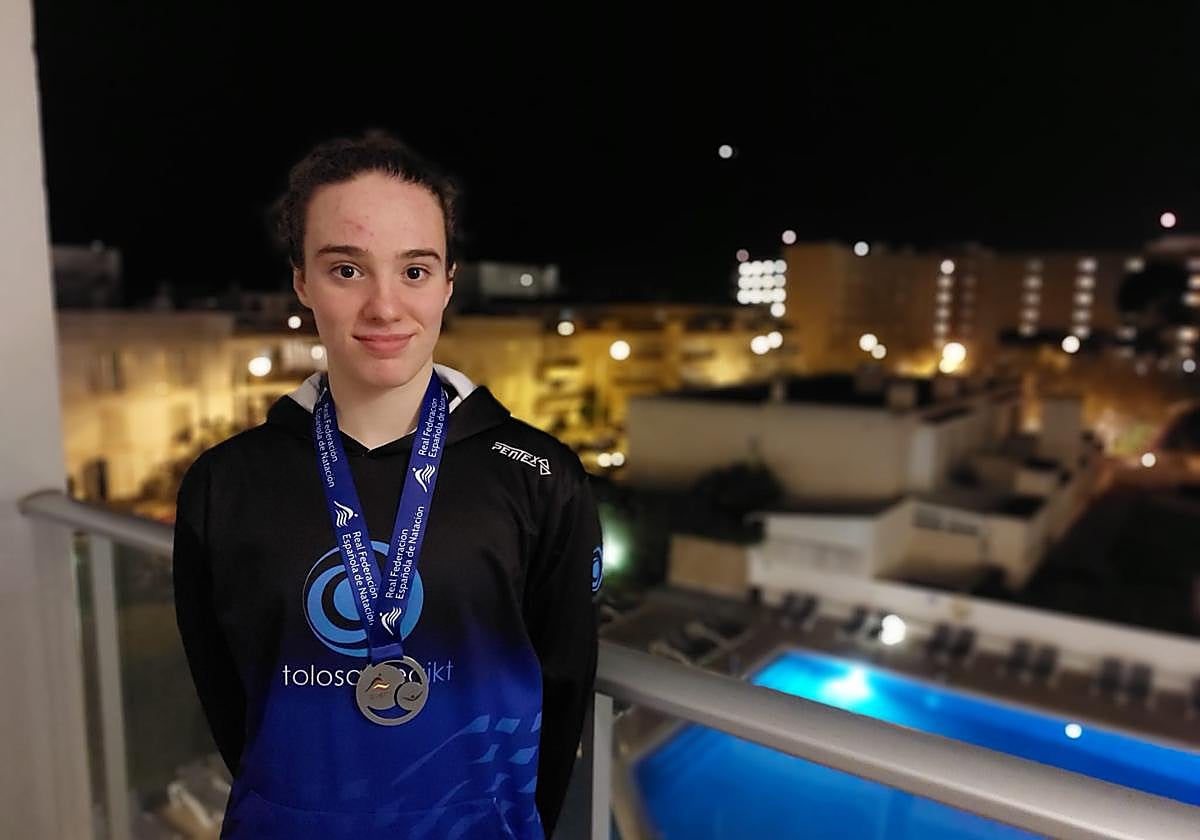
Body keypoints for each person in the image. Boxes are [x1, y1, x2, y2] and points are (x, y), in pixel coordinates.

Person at [172, 131, 602, 838]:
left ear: (449, 282)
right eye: (347, 271)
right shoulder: (225, 483)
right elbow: (227, 700)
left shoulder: (539, 475)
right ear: (302, 281)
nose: (384, 306)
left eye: (414, 270)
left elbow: (565, 689)